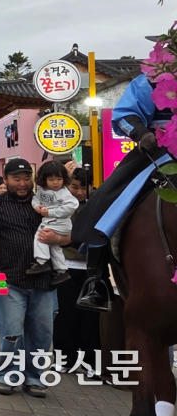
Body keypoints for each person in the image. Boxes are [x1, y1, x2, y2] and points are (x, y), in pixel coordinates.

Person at [74, 69, 170, 310]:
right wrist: (141, 133)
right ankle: (97, 281)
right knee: (108, 200)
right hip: (160, 153)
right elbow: (126, 113)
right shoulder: (151, 79)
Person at [0, 158, 67, 398]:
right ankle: (6, 375)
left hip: (45, 280)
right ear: (5, 180)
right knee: (11, 329)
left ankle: (34, 376)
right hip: (6, 279)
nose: (23, 183)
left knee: (42, 333)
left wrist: (56, 239)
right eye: (17, 179)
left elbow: (69, 234)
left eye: (27, 178)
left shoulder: (45, 203)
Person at [51, 166, 100, 379]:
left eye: (83, 188)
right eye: (74, 187)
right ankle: (64, 361)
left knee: (91, 320)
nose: (79, 192)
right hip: (65, 268)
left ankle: (92, 364)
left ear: (91, 187)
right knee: (64, 317)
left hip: (91, 270)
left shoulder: (98, 206)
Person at [26, 161, 78, 286]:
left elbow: (72, 205)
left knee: (41, 236)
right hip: (51, 221)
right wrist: (37, 206)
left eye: (59, 179)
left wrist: (51, 212)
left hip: (60, 223)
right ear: (44, 179)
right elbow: (35, 199)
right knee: (54, 247)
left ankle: (41, 262)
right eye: (51, 179)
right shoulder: (42, 190)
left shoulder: (64, 192)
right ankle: (61, 270)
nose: (55, 182)